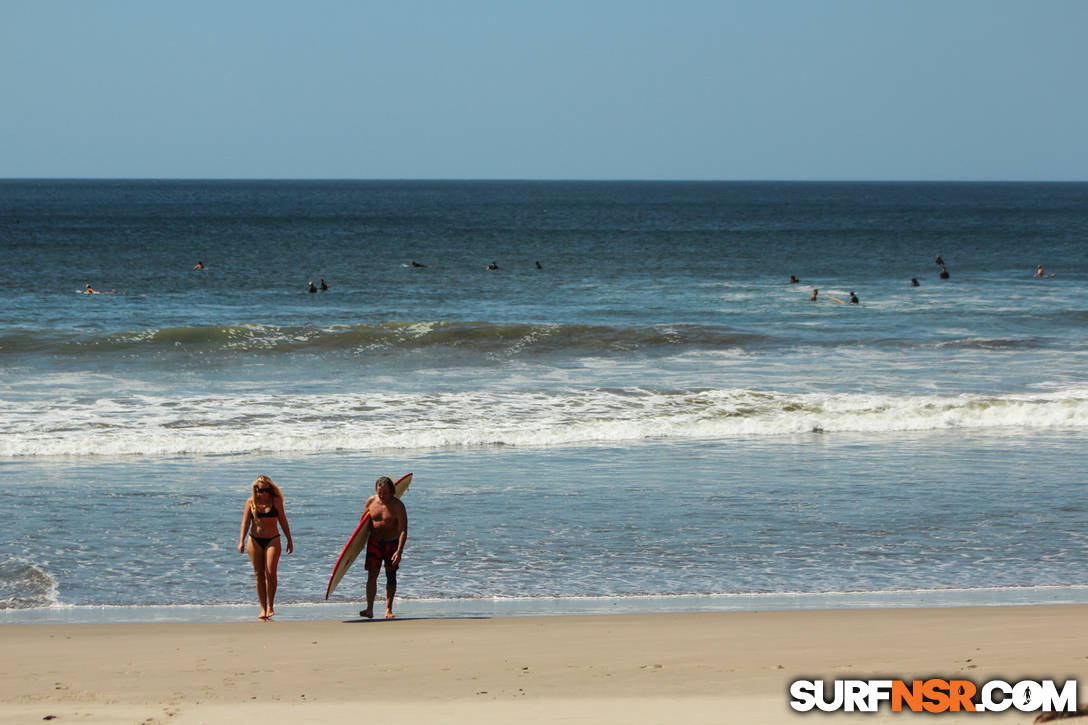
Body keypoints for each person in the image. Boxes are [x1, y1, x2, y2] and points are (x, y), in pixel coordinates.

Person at [238, 475, 293, 620]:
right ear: (255, 489)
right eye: (259, 490)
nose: (263, 493)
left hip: (273, 540)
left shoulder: (276, 501)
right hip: (254, 540)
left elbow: (283, 521)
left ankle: (271, 606)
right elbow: (245, 523)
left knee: (271, 572)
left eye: (265, 490)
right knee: (259, 575)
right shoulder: (250, 502)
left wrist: (289, 539)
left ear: (270, 489)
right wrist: (241, 541)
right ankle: (263, 608)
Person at [360, 476, 408, 620]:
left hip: (391, 544)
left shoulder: (398, 506)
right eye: (380, 492)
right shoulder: (371, 501)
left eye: (385, 493)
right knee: (372, 575)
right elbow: (363, 524)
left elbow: (403, 530)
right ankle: (369, 609)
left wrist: (399, 551)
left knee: (390, 576)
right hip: (374, 542)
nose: (382, 495)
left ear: (392, 492)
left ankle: (388, 609)